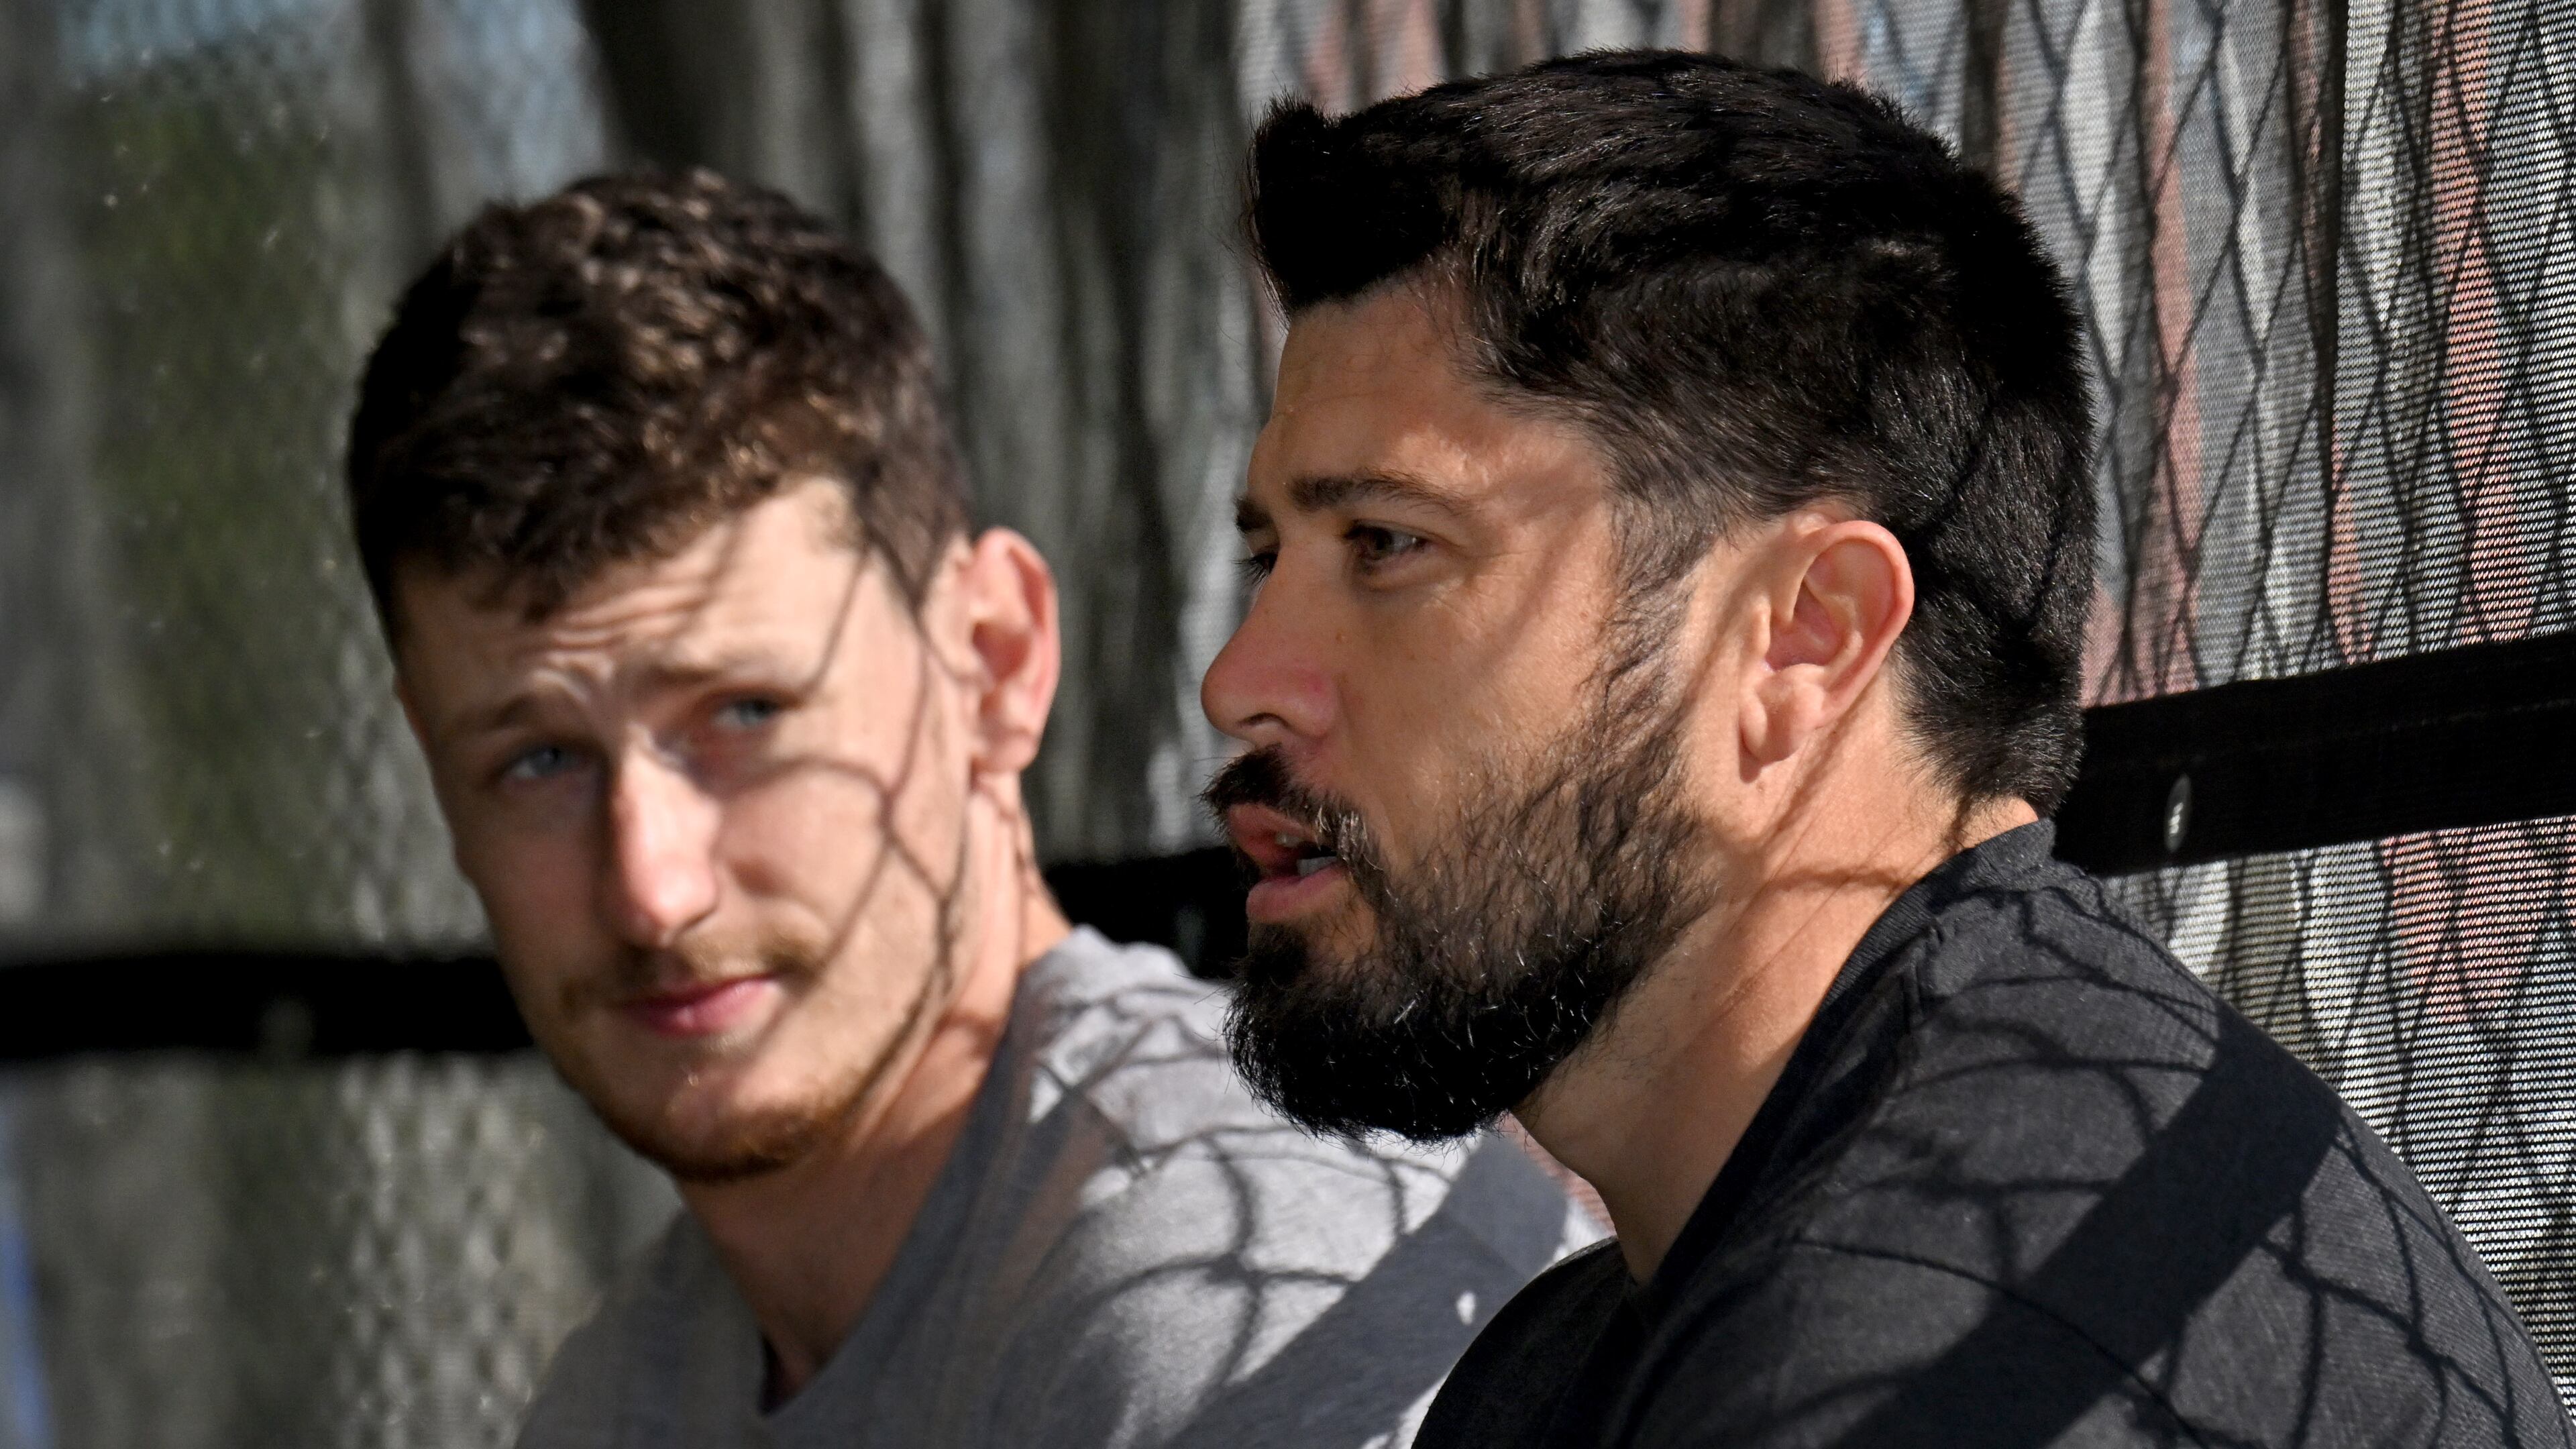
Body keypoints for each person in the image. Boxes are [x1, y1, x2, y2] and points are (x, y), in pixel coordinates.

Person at [1199, 50, 2571, 1449]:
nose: (1238, 681)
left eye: (1387, 545)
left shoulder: (1937, 1349)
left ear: (1801, 642)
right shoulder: (1617, 1342)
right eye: (1269, 555)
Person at [345, 169, 1593, 1449]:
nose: (654, 889)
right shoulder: (627, 1392)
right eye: (538, 762)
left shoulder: (1246, 1295)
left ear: (992, 664)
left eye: (746, 714)